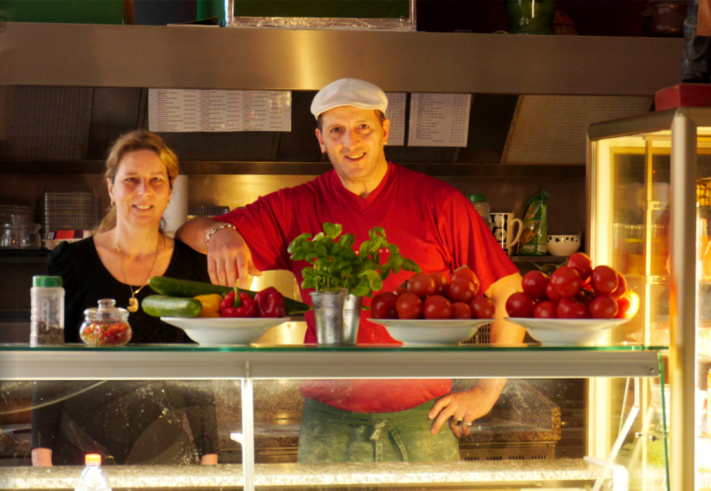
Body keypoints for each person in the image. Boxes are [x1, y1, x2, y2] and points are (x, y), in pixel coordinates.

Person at [177, 78, 523, 463]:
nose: (350, 142)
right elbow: (187, 232)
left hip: (425, 419)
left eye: (363, 128)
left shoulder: (440, 203)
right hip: (329, 421)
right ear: (321, 140)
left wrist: (486, 392)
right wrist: (221, 232)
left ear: (385, 131)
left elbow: (509, 290)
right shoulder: (294, 206)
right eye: (336, 131)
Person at [30, 130, 221, 467]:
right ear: (111, 188)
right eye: (131, 179)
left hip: (163, 454)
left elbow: (198, 371)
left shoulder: (192, 267)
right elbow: (49, 361)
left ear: (170, 191)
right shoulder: (72, 262)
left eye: (156, 180)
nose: (144, 191)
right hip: (79, 449)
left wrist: (209, 455)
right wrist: (40, 454)